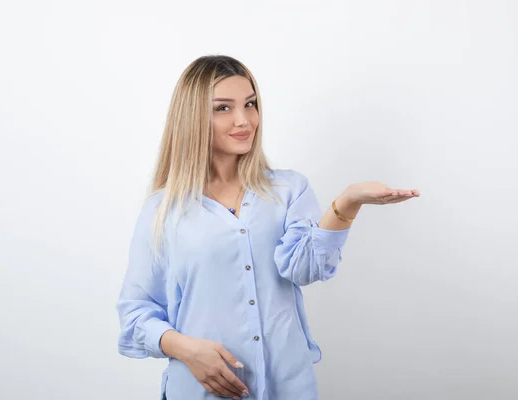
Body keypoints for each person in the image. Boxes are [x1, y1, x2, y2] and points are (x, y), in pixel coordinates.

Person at [116, 55, 420, 400]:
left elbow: (305, 268)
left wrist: (348, 202)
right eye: (223, 108)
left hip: (289, 386)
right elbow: (136, 313)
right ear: (193, 118)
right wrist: (187, 350)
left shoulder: (288, 190)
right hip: (201, 390)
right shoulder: (163, 210)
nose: (244, 120)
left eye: (250, 104)